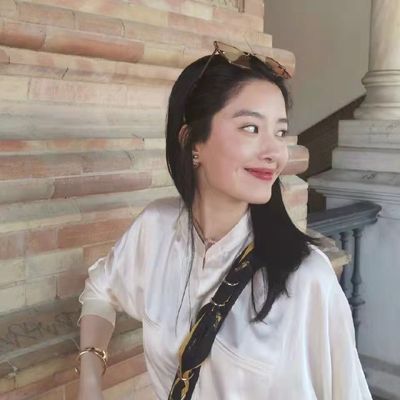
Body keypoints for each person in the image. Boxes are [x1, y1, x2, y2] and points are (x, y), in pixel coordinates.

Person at [77, 41, 372, 400]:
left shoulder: (307, 277)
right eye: (251, 128)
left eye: (279, 132)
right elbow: (100, 289)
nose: (275, 152)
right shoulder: (156, 229)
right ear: (192, 141)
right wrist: (90, 381)